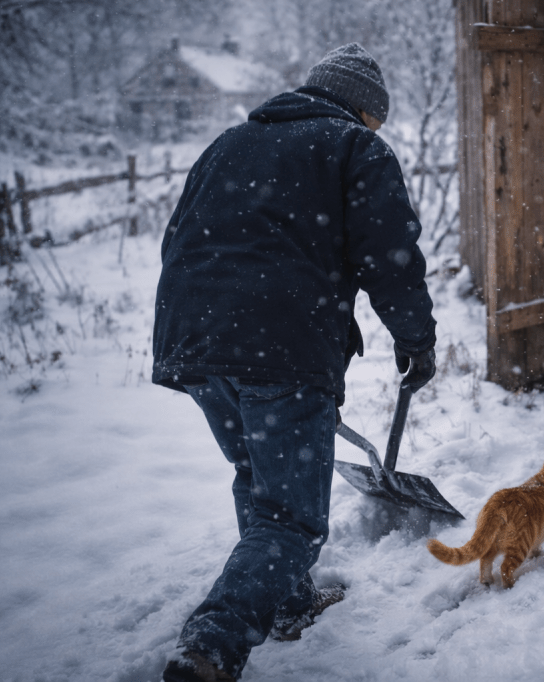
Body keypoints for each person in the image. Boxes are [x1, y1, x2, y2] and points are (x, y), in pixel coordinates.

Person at [152, 43, 437, 682]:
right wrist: (417, 340)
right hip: (280, 346)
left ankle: (288, 604)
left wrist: (207, 326)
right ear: (365, 110)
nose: (377, 132)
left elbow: (178, 238)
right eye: (377, 121)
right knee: (292, 518)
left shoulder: (228, 143)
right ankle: (211, 645)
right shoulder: (355, 147)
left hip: (193, 339)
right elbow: (389, 256)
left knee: (258, 478)